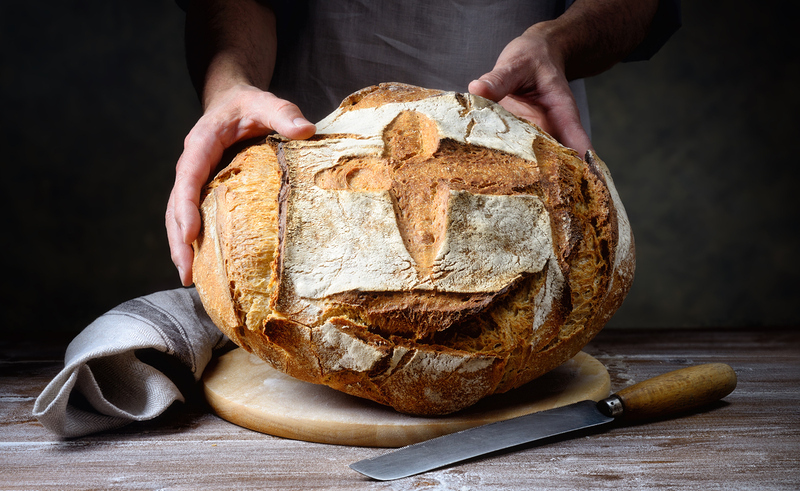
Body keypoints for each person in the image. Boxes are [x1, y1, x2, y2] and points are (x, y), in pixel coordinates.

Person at [167, 0, 680, 286]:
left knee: (545, 294)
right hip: (303, 159)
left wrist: (560, 41)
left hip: (522, 132)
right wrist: (230, 84)